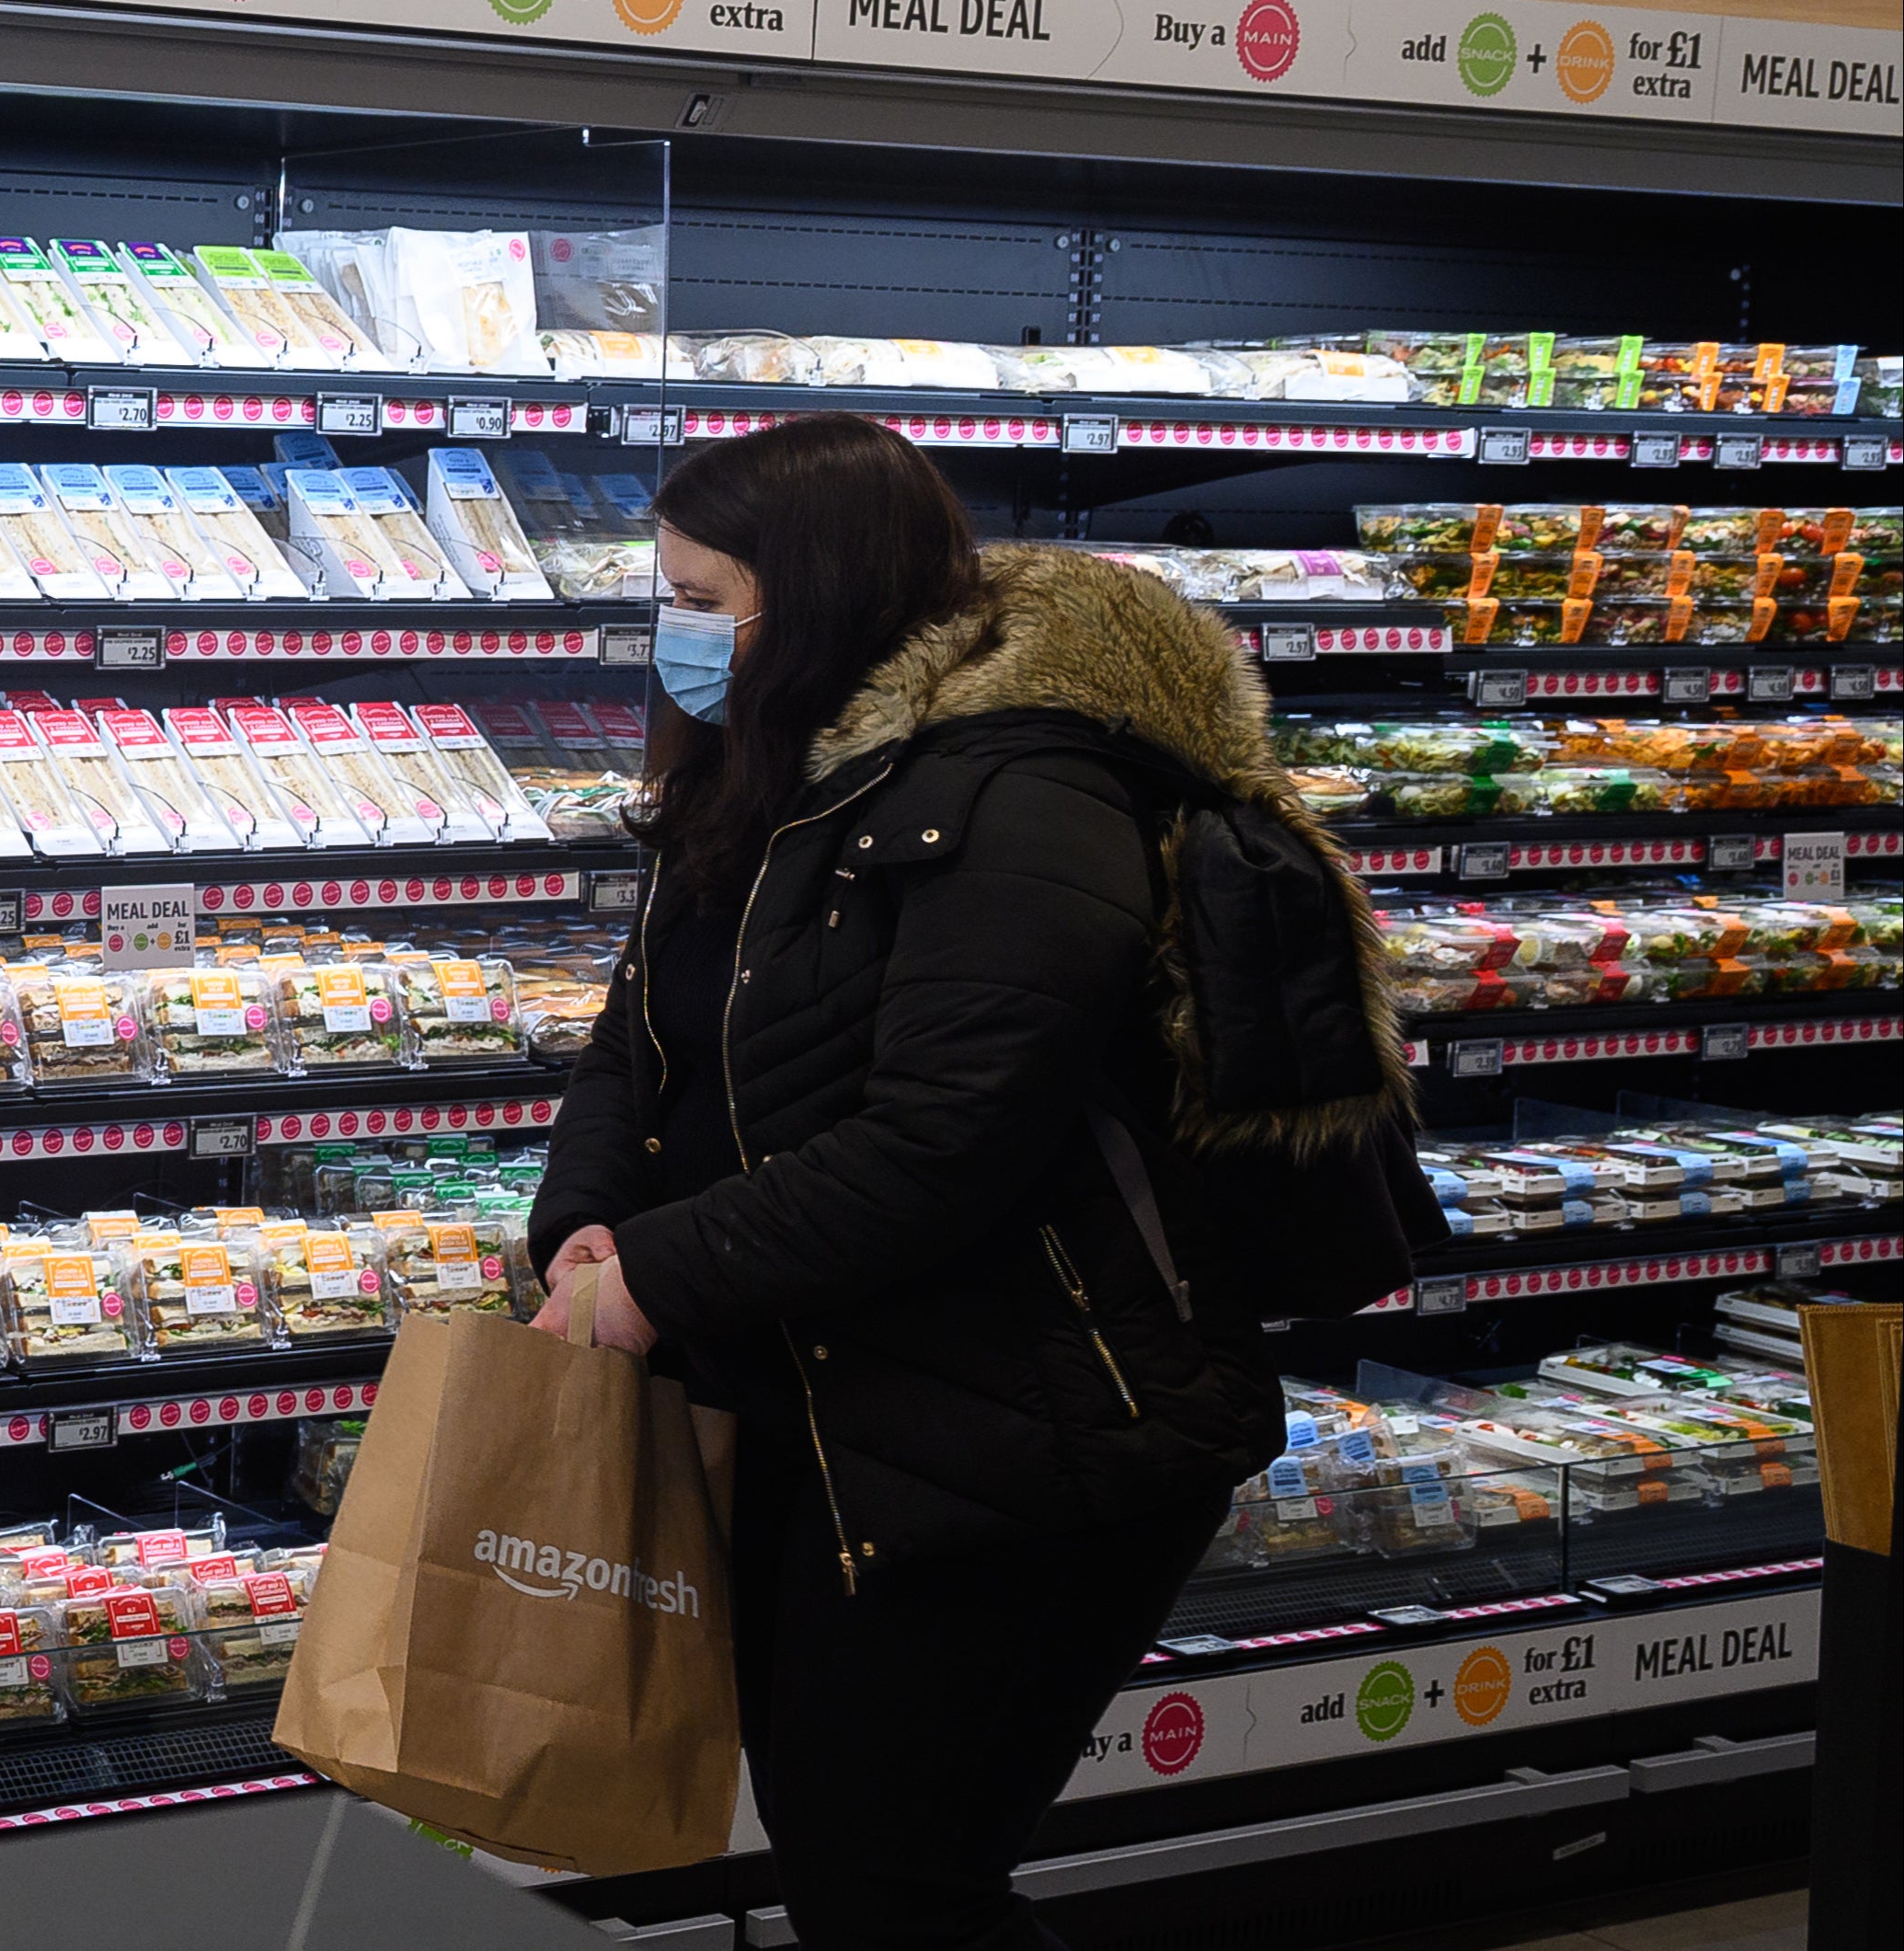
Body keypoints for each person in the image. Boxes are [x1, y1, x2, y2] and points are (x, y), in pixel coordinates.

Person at [528, 411, 1404, 1951]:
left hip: (1033, 1421)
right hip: (829, 1395)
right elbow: (637, 1041)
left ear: (820, 594)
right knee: (856, 1859)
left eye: (698, 593)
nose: (669, 629)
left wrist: (658, 1275)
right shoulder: (756, 779)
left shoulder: (1019, 796)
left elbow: (946, 1138)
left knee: (895, 1879)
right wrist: (585, 1218)